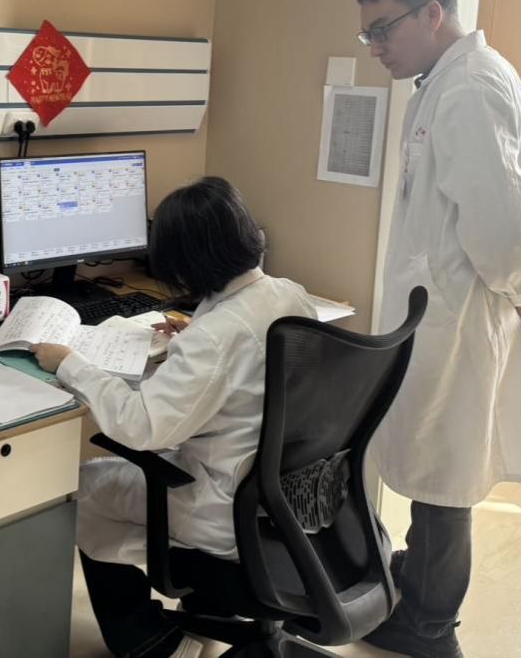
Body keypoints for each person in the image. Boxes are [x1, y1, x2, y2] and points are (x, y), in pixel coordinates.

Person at [355, 0, 521, 658]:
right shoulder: (448, 82)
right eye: (368, 34)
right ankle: (416, 585)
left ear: (431, 13)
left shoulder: (469, 88)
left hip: (459, 316)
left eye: (383, 29)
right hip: (443, 311)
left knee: (446, 477)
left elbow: (500, 223)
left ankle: (429, 627)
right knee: (436, 463)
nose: (375, 47)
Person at [33, 176, 316, 658]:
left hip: (224, 510)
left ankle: (151, 643)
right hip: (288, 500)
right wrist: (194, 329)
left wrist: (69, 363)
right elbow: (243, 358)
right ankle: (209, 611)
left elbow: (141, 427)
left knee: (84, 491)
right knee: (118, 486)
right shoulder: (289, 295)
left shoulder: (216, 336)